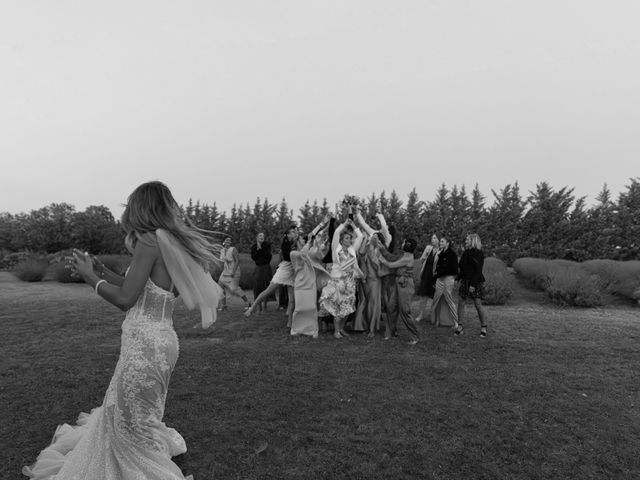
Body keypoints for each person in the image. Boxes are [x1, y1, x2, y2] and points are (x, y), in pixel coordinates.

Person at [23, 181, 222, 480]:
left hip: (145, 345)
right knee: (133, 415)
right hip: (162, 342)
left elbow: (127, 299)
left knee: (127, 422)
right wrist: (101, 270)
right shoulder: (167, 242)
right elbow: (140, 288)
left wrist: (91, 279)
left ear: (141, 207)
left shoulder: (150, 242)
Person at [245, 224, 301, 326]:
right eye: (293, 232)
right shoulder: (285, 244)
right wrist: (297, 243)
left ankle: (290, 322)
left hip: (293, 270)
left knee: (292, 299)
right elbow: (290, 256)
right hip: (285, 269)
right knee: (268, 290)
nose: (295, 233)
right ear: (287, 234)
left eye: (296, 231)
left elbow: (311, 236)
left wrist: (322, 225)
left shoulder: (297, 241)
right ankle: (252, 308)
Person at [319, 218, 364, 338]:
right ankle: (336, 331)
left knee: (348, 307)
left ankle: (342, 328)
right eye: (347, 238)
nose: (350, 240)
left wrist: (354, 225)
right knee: (338, 306)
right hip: (338, 282)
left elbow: (360, 237)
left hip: (350, 282)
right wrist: (344, 224)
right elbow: (336, 233)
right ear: (342, 240)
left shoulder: (352, 250)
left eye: (350, 238)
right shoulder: (336, 250)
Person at [289, 218, 331, 337]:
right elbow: (303, 254)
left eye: (305, 239)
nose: (305, 240)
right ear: (297, 242)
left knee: (312, 307)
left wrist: (325, 225)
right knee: (299, 308)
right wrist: (309, 241)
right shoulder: (293, 254)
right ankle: (296, 329)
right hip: (300, 283)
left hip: (310, 282)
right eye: (303, 239)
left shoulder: (310, 251)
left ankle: (312, 330)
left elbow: (314, 239)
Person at [377, 237, 421, 344]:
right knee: (391, 307)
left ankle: (415, 335)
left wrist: (381, 259)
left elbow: (392, 264)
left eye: (404, 242)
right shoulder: (404, 254)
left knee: (405, 311)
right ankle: (390, 332)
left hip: (405, 285)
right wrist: (382, 248)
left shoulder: (408, 257)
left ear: (407, 245)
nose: (402, 243)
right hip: (398, 283)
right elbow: (392, 258)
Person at [457, 233, 488, 338]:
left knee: (478, 305)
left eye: (467, 240)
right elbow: (462, 267)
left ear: (473, 241)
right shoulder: (466, 252)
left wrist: (473, 285)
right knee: (461, 303)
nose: (465, 241)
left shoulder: (479, 253)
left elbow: (478, 270)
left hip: (475, 282)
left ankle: (483, 327)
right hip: (465, 281)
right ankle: (460, 326)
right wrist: (458, 278)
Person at [430, 236, 463, 334]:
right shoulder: (440, 253)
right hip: (439, 280)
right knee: (436, 299)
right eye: (440, 241)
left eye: (442, 241)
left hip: (448, 279)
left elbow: (454, 269)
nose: (440, 243)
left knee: (449, 300)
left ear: (447, 243)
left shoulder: (452, 254)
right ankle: (436, 320)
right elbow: (437, 269)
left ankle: (456, 323)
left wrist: (441, 272)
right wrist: (435, 278)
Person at [218, 236, 252, 311]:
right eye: (226, 240)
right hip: (225, 271)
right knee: (220, 285)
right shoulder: (222, 250)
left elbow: (237, 261)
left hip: (234, 270)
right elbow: (222, 262)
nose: (228, 241)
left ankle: (247, 303)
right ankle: (224, 305)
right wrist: (222, 270)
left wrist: (233, 271)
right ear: (224, 241)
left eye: (229, 240)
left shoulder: (233, 249)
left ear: (231, 243)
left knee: (234, 288)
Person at [415, 234, 439, 322]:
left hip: (434, 277)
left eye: (435, 238)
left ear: (439, 240)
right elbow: (421, 260)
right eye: (432, 238)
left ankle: (434, 316)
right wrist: (425, 254)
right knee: (423, 296)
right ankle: (421, 314)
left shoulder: (441, 250)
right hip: (426, 274)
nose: (432, 239)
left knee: (435, 297)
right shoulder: (428, 248)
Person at [250, 232, 273, 313]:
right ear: (257, 237)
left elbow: (269, 256)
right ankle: (259, 306)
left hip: (266, 267)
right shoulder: (254, 246)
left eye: (263, 236)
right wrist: (258, 249)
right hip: (258, 268)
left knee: (266, 286)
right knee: (257, 287)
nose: (262, 237)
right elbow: (253, 257)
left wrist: (261, 249)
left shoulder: (267, 245)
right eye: (260, 236)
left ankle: (265, 306)